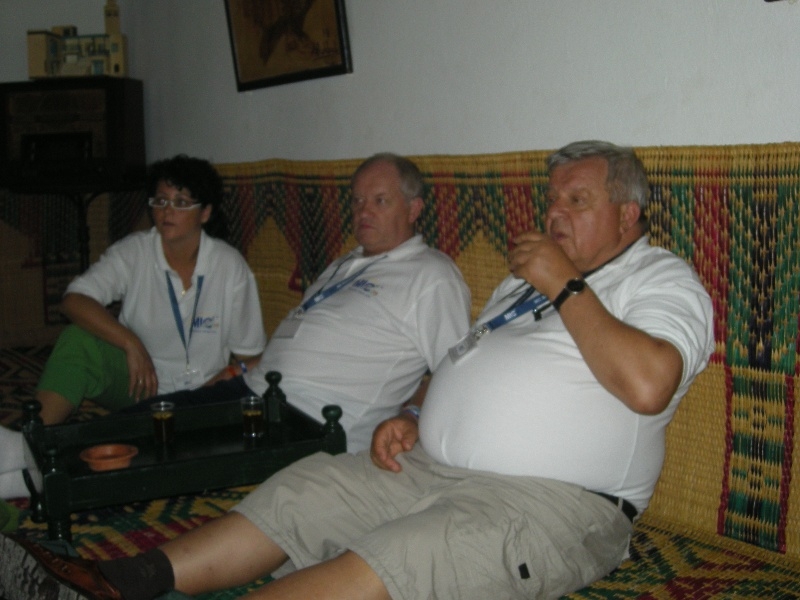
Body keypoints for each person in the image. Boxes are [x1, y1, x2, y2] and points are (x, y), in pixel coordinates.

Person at [0, 140, 715, 600]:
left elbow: (649, 385)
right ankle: (118, 581)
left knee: (400, 555)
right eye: (551, 199)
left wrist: (562, 282)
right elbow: (460, 363)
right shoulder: (518, 284)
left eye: (576, 201)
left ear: (628, 214)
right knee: (301, 491)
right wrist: (414, 414)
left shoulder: (661, 281)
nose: (554, 215)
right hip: (431, 466)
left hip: (550, 503)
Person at [120, 151, 471, 455]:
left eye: (380, 201)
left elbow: (456, 368)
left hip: (308, 420)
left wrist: (411, 415)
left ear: (413, 209)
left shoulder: (431, 275)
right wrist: (238, 369)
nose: (363, 211)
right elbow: (301, 340)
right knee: (126, 424)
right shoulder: (345, 263)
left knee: (140, 447)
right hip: (254, 392)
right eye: (357, 201)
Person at [0, 155, 267, 499]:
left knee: (165, 456)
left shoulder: (230, 267)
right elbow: (74, 299)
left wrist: (227, 376)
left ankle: (36, 475)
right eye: (160, 201)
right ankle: (29, 446)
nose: (167, 211)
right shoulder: (134, 252)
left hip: (203, 397)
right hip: (141, 384)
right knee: (78, 340)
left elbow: (251, 356)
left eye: (181, 203)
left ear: (205, 213)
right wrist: (130, 343)